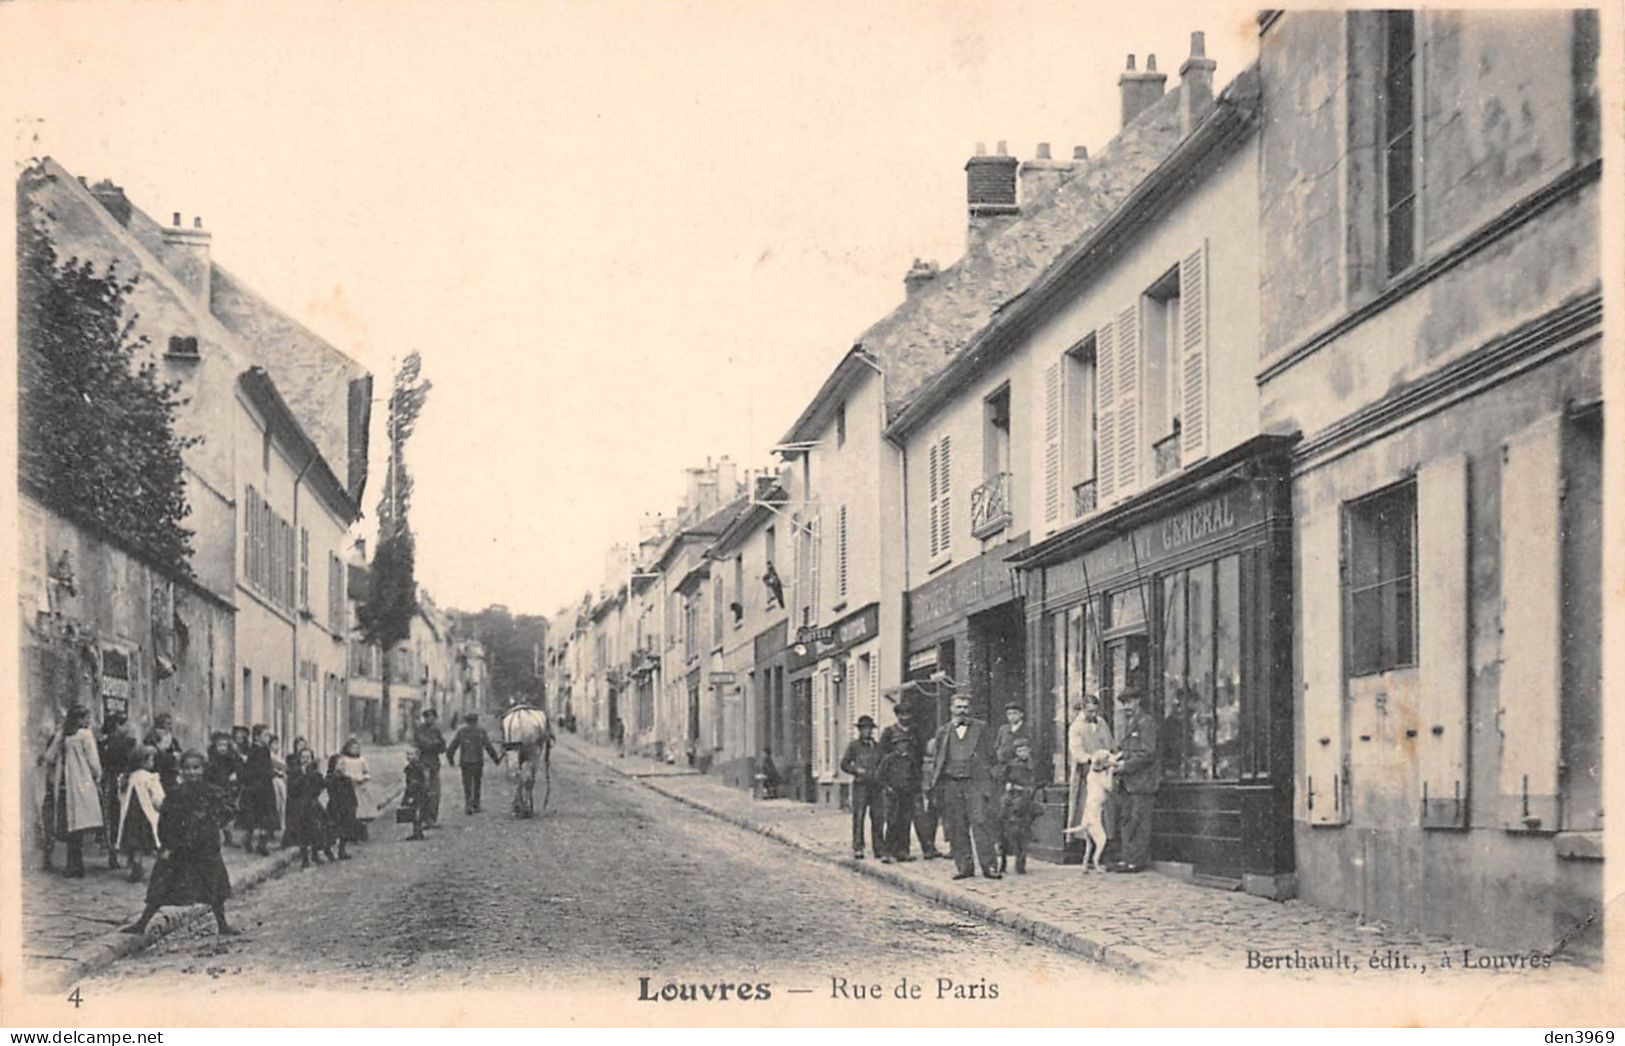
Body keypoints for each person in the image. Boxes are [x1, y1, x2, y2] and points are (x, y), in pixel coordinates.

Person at [122, 750, 238, 937]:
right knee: (162, 886)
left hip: (205, 847)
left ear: (203, 769)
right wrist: (166, 846)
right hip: (179, 848)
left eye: (196, 768)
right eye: (187, 768)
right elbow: (165, 821)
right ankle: (142, 923)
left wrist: (216, 822)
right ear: (181, 771)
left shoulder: (211, 792)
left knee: (214, 886)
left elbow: (229, 810)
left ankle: (222, 924)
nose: (192, 772)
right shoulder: (176, 794)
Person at [925, 694, 1001, 880]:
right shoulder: (943, 731)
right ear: (951, 708)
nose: (962, 711)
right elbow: (937, 761)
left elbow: (992, 757)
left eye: (965, 707)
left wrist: (988, 780)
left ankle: (989, 866)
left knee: (981, 823)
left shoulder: (981, 728)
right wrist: (937, 785)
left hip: (974, 784)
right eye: (958, 707)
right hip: (952, 784)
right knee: (957, 826)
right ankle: (963, 867)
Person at [40, 706, 103, 878]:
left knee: (69, 824)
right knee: (78, 825)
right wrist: (97, 776)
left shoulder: (62, 734)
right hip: (81, 782)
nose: (88, 721)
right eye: (85, 718)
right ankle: (76, 864)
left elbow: (49, 756)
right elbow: (94, 761)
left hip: (63, 784)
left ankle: (72, 863)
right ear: (78, 719)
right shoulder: (85, 735)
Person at [1110, 688, 1160, 873]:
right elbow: (1129, 748)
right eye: (1123, 703)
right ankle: (1127, 858)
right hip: (1128, 781)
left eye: (1129, 702)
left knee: (1139, 821)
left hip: (1142, 781)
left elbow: (1148, 753)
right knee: (1126, 820)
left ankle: (1136, 861)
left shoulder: (1145, 722)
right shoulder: (1129, 722)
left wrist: (1125, 765)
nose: (1126, 707)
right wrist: (1118, 756)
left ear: (1138, 701)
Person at [877, 703, 935, 862]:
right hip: (893, 785)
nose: (906, 718)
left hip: (910, 782)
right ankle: (888, 851)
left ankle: (903, 850)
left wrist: (918, 781)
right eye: (902, 715)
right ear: (897, 716)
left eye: (908, 714)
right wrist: (887, 784)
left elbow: (920, 756)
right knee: (893, 819)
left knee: (907, 819)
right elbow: (881, 760)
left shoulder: (915, 732)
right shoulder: (889, 733)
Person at [1063, 695, 1115, 844]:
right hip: (1086, 773)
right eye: (1090, 711)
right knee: (1087, 808)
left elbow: (1110, 743)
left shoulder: (1102, 723)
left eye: (1096, 711)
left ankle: (1105, 843)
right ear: (1083, 709)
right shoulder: (1076, 727)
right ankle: (1084, 844)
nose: (1093, 715)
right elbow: (1076, 751)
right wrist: (1090, 758)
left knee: (1105, 807)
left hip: (1104, 771)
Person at [116, 745, 164, 883]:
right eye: (151, 760)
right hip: (145, 815)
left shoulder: (129, 777)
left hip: (131, 816)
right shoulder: (149, 778)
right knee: (149, 840)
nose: (153, 763)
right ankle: (145, 867)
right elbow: (157, 797)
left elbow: (121, 796)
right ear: (143, 762)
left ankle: (135, 863)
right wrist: (161, 805)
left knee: (135, 841)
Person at [839, 715, 884, 860]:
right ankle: (858, 847)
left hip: (876, 786)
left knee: (878, 817)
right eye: (864, 729)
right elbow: (844, 764)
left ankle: (879, 848)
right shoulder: (854, 746)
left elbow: (883, 764)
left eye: (869, 729)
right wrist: (856, 770)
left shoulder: (877, 747)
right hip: (861, 786)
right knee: (859, 816)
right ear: (859, 730)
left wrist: (880, 774)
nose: (867, 731)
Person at [97, 714, 137, 869]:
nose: (127, 728)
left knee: (114, 817)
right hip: (119, 781)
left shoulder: (103, 743)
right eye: (124, 725)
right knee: (121, 816)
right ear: (116, 726)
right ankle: (124, 854)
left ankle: (114, 853)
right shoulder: (123, 744)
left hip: (111, 781)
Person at [996, 739, 1039, 875]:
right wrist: (1008, 784)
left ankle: (1021, 862)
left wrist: (1028, 789)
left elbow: (1036, 783)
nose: (1023, 753)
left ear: (1029, 750)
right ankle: (1002, 860)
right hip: (1012, 798)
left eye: (1025, 750)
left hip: (1027, 800)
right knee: (1004, 828)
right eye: (1019, 751)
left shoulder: (1034, 765)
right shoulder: (1012, 765)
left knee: (1024, 832)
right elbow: (1002, 778)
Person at [447, 713, 503, 814]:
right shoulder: (481, 731)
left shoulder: (462, 731)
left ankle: (468, 803)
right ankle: (476, 804)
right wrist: (496, 759)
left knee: (467, 783)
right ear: (476, 720)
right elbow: (488, 746)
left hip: (465, 761)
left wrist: (450, 759)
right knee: (477, 783)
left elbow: (453, 746)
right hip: (478, 761)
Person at [238, 724, 279, 855]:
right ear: (257, 737)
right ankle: (251, 842)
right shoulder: (257, 750)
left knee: (261, 818)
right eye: (266, 735)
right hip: (258, 788)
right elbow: (256, 769)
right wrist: (271, 773)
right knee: (258, 817)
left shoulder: (261, 750)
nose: (268, 738)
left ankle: (259, 844)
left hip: (262, 787)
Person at [285, 748, 328, 869]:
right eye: (303, 757)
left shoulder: (315, 772)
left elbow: (319, 787)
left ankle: (315, 854)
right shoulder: (294, 772)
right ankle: (305, 859)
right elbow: (292, 789)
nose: (306, 760)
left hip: (312, 805)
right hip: (300, 806)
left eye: (308, 757)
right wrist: (302, 776)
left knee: (316, 830)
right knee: (302, 833)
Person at [335, 736, 379, 838]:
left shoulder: (362, 760)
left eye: (357, 748)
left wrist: (364, 778)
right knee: (351, 811)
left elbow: (367, 772)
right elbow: (341, 771)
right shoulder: (344, 760)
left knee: (362, 812)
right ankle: (351, 833)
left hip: (360, 788)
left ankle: (362, 832)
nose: (355, 750)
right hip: (349, 787)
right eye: (353, 748)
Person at [203, 732, 242, 846]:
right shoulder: (212, 760)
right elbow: (207, 775)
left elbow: (239, 767)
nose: (223, 748)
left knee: (228, 813)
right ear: (215, 746)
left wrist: (235, 774)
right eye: (220, 745)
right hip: (215, 789)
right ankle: (213, 839)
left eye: (225, 745)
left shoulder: (231, 758)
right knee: (215, 814)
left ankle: (228, 838)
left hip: (227, 789)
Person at [413, 709, 447, 828]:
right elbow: (422, 743)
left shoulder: (436, 731)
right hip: (423, 764)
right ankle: (423, 819)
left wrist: (434, 744)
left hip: (434, 764)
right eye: (428, 717)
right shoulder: (419, 730)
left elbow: (443, 747)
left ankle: (432, 819)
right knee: (424, 792)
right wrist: (434, 744)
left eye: (433, 717)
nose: (430, 719)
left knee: (435, 793)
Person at [323, 754, 358, 859]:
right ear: (333, 765)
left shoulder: (346, 779)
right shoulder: (330, 779)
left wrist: (353, 804)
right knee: (332, 831)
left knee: (345, 830)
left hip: (346, 807)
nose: (343, 767)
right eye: (340, 764)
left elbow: (351, 793)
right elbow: (329, 792)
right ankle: (327, 849)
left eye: (344, 765)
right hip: (335, 808)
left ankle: (342, 851)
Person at [144, 713, 183, 795]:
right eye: (167, 723)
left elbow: (179, 753)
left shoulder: (172, 740)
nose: (170, 726)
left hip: (170, 774)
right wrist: (172, 756)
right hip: (157, 774)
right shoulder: (151, 738)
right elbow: (155, 756)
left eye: (170, 723)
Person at [993, 701, 1031, 771]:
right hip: (1003, 766)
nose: (1012, 716)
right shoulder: (1003, 729)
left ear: (1021, 714)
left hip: (1020, 767)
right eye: (1009, 714)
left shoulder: (1028, 729)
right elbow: (997, 746)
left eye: (1014, 713)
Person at [400, 749, 428, 841]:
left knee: (417, 812)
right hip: (414, 791)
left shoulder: (416, 767)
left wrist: (411, 794)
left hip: (417, 792)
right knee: (414, 811)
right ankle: (417, 832)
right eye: (407, 754)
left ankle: (418, 832)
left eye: (411, 754)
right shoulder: (411, 767)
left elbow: (416, 781)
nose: (409, 756)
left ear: (417, 755)